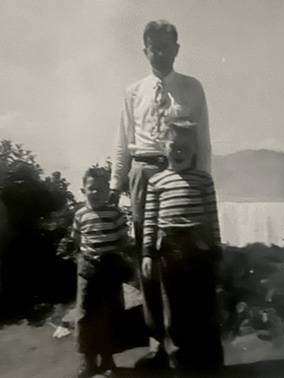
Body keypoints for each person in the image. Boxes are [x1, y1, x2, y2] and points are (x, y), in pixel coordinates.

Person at [109, 19, 212, 367]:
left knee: (183, 259)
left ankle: (189, 341)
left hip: (182, 178)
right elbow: (122, 142)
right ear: (145, 50)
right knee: (148, 257)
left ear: (177, 49)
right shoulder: (132, 91)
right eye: (154, 46)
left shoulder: (192, 88)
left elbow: (203, 142)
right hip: (142, 174)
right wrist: (115, 184)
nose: (160, 52)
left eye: (167, 45)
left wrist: (202, 182)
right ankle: (157, 343)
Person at [142, 121, 224, 372]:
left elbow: (212, 214)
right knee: (174, 309)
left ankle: (209, 362)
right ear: (164, 148)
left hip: (200, 247)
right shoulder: (156, 182)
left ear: (194, 150)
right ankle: (179, 361)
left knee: (204, 305)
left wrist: (216, 245)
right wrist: (147, 252)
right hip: (170, 250)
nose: (179, 152)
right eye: (174, 146)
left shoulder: (203, 179)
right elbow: (150, 220)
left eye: (185, 148)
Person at [71, 167, 129, 378]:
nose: (95, 193)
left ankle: (107, 359)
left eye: (100, 189)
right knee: (85, 314)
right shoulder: (79, 215)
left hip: (110, 268)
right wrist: (88, 258)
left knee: (110, 313)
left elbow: (123, 239)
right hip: (87, 268)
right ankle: (88, 360)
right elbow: (77, 240)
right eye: (91, 189)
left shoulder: (115, 213)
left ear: (108, 192)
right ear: (83, 191)